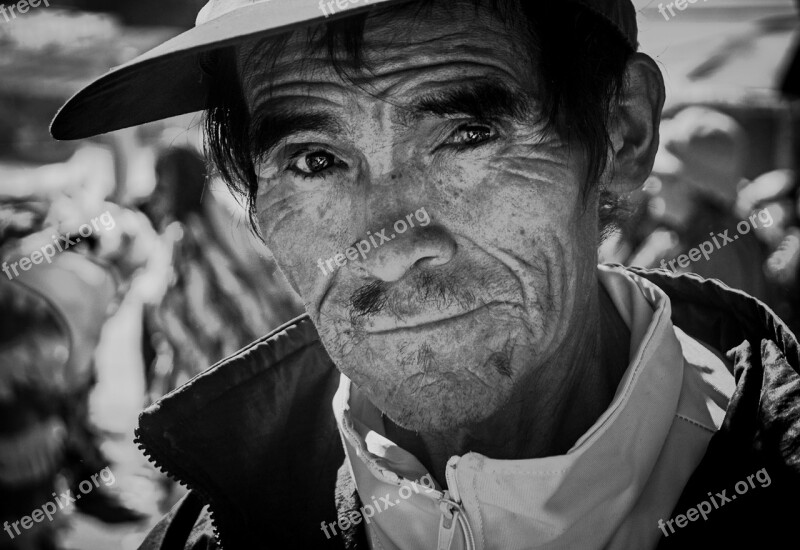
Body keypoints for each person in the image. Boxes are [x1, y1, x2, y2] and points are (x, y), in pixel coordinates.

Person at [49, 1, 800, 549]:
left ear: (622, 132)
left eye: (466, 135)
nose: (388, 245)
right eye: (315, 161)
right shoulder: (209, 536)